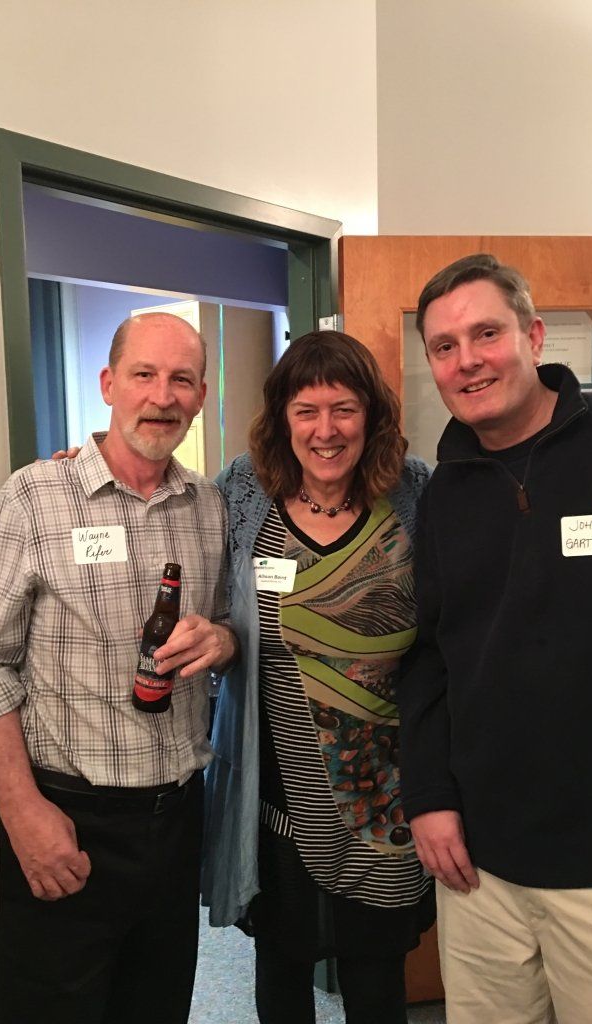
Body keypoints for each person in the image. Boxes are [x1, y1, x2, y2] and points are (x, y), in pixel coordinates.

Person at [0, 312, 238, 1024]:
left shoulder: (209, 506)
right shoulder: (34, 497)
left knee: (158, 1009)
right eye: (144, 374)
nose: (162, 396)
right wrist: (22, 813)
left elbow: (228, 629)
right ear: (109, 384)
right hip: (66, 819)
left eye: (181, 380)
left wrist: (224, 641)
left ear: (201, 396)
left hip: (175, 822)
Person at [399, 254, 592, 1023]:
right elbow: (429, 657)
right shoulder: (444, 494)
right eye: (444, 346)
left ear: (533, 336)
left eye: (487, 333)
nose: (467, 360)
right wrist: (429, 799)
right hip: (481, 865)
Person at [202, 331, 435, 1024]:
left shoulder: (415, 491)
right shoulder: (244, 491)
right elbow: (169, 517)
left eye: (344, 409)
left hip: (388, 800)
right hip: (277, 797)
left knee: (376, 981)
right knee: (281, 969)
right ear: (282, 418)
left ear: (372, 414)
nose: (325, 430)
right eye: (306, 410)